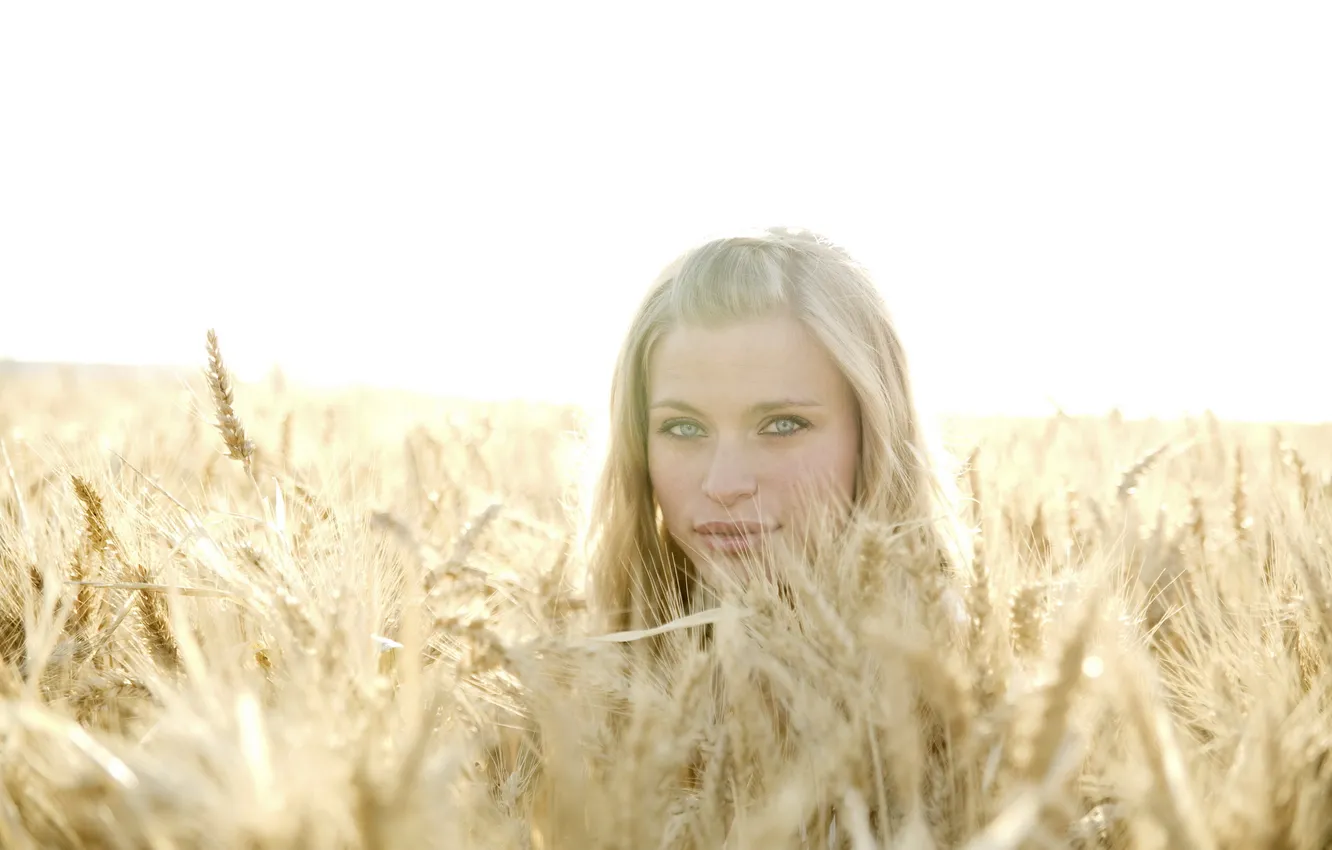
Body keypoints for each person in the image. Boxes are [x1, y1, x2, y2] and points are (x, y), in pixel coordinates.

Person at [584, 226, 971, 651]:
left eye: (783, 425)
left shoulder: (975, 694)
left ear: (874, 435)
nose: (724, 486)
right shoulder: (584, 688)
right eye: (684, 428)